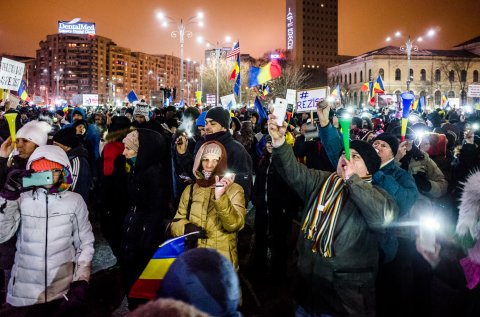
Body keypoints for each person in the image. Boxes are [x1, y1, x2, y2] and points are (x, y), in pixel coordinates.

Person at [268, 113, 398, 316]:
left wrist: (352, 181)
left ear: (368, 169)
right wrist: (279, 142)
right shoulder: (322, 180)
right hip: (306, 288)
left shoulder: (381, 197)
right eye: (345, 154)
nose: (347, 158)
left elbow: (382, 218)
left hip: (343, 298)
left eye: (355, 156)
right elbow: (293, 172)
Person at [0, 145, 94, 316]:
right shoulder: (22, 198)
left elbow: (85, 243)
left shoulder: (75, 201)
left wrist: (81, 280)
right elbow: (2, 235)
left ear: (64, 171)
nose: (47, 177)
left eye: (54, 171)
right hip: (24, 292)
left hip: (61, 289)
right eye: (41, 172)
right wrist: (7, 197)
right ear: (32, 174)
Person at [170, 141, 245, 268]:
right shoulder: (191, 189)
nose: (209, 165)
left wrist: (220, 197)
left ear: (222, 162)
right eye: (205, 159)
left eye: (215, 160)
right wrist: (185, 228)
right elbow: (175, 223)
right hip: (193, 260)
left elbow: (235, 225)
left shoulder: (234, 189)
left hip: (221, 264)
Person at [0, 120, 51, 305]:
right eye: (18, 140)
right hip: (8, 241)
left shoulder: (46, 169)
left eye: (26, 141)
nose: (19, 144)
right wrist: (3, 159)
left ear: (39, 145)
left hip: (31, 243)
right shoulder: (13, 165)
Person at [121, 128, 170, 310]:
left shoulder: (154, 173)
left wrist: (145, 239)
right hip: (133, 230)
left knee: (141, 283)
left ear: (143, 151)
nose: (124, 152)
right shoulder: (135, 168)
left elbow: (156, 209)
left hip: (143, 238)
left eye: (129, 149)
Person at [157, 248, 242, 317]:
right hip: (193, 260)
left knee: (223, 299)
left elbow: (233, 226)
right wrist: (184, 228)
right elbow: (173, 228)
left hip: (219, 261)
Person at [193, 107, 253, 203]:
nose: (207, 127)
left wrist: (233, 209)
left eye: (212, 123)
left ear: (224, 127)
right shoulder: (203, 146)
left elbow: (243, 188)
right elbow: (197, 175)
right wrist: (182, 154)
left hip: (224, 209)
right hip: (202, 207)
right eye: (206, 123)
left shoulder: (237, 150)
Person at [52, 127, 92, 203]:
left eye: (56, 145)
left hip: (73, 207)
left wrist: (50, 191)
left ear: (67, 146)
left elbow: (72, 188)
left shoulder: (77, 162)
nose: (53, 147)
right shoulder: (65, 158)